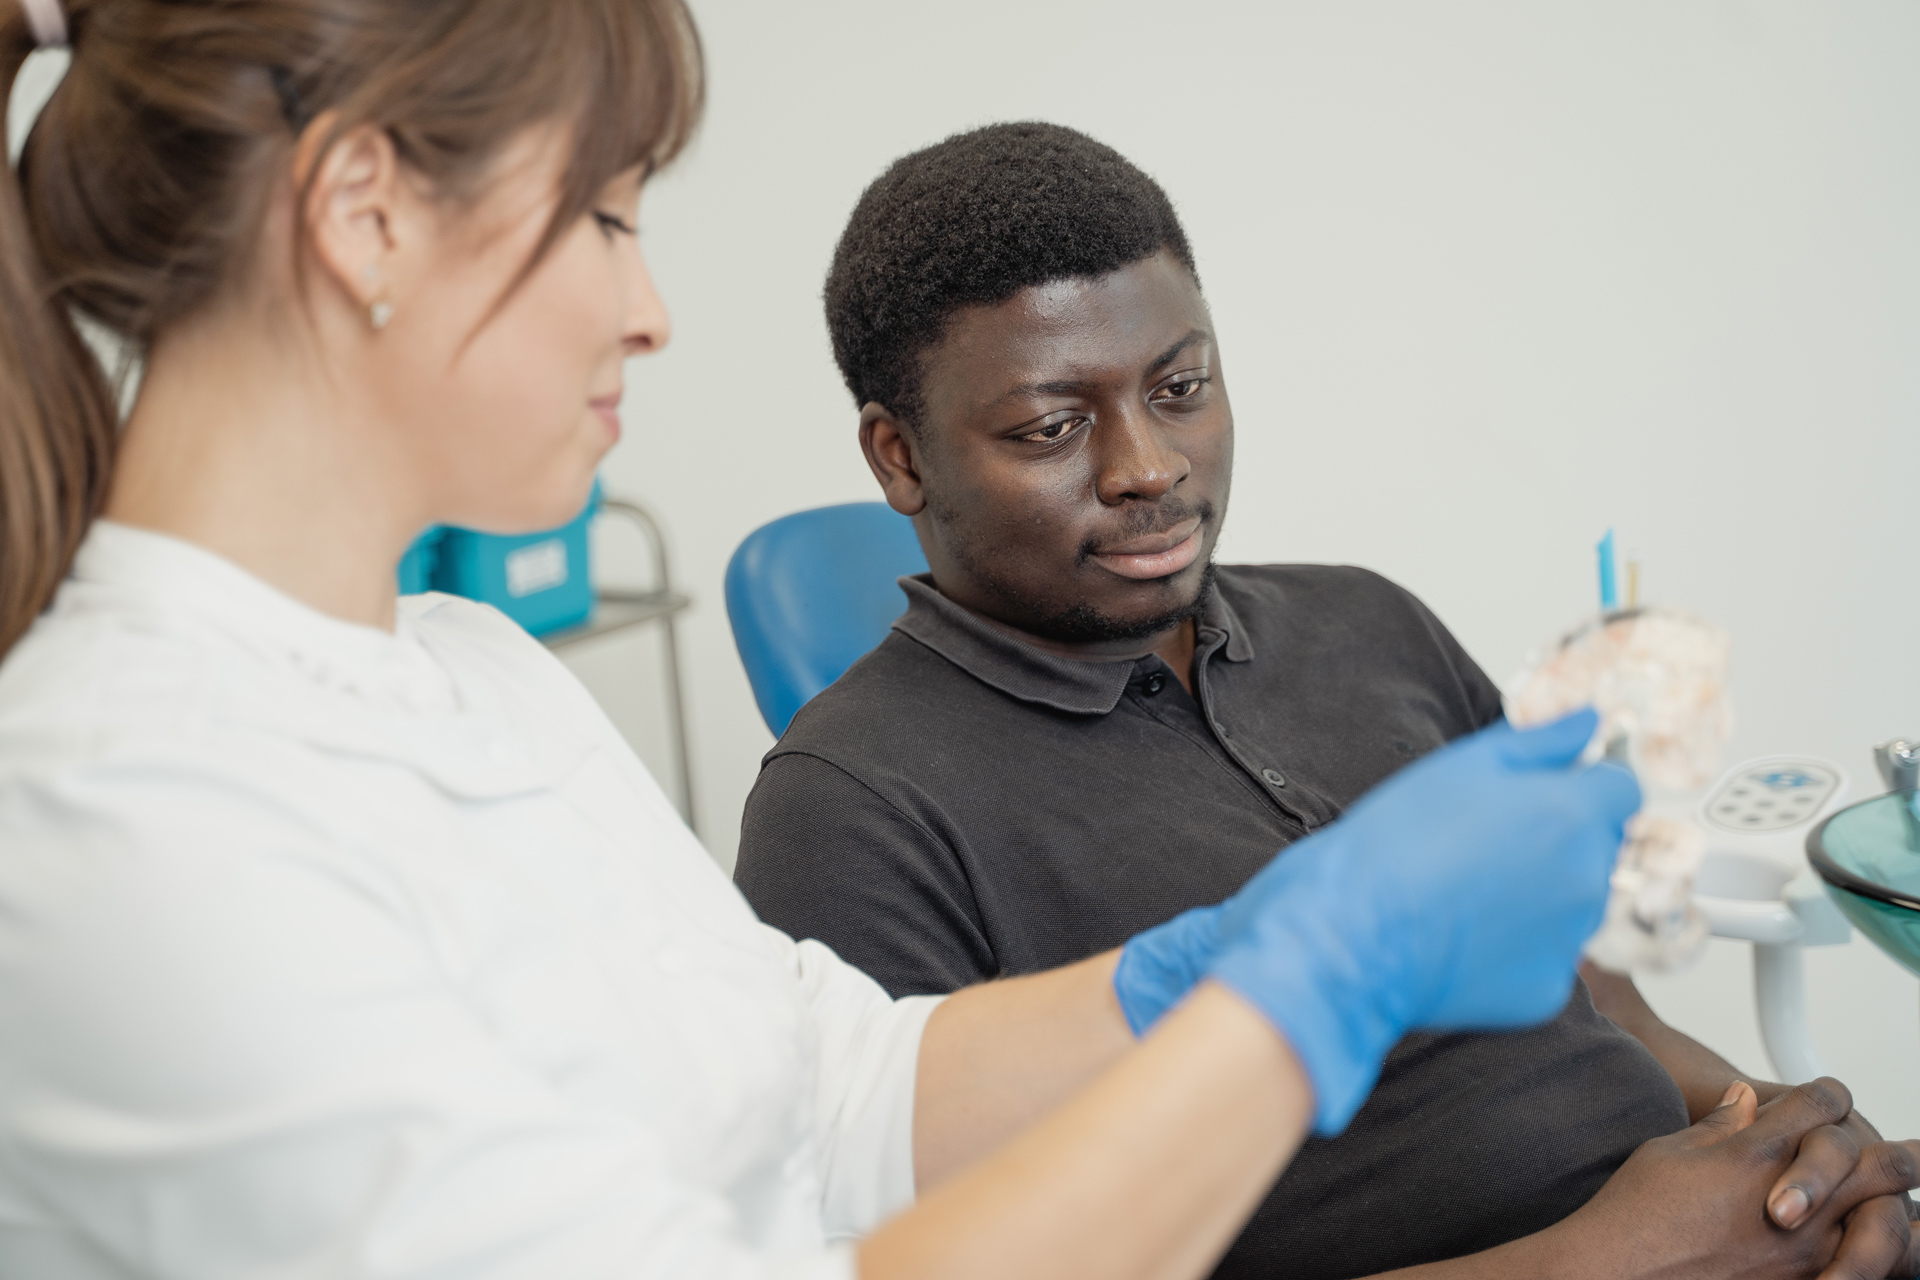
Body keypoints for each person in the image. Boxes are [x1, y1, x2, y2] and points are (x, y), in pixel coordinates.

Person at [0, 3, 1854, 1279]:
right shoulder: (110, 811)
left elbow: (836, 1091)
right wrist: (1329, 985)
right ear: (364, 212)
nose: (650, 314)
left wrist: (1235, 947)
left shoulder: (479, 684)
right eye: (608, 216)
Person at [732, 121, 1920, 1280]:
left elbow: (1603, 997)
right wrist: (1612, 1256)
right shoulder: (853, 809)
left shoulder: (1369, 619)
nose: (1149, 465)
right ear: (899, 456)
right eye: (1052, 425)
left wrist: (1791, 1162)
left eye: (1182, 385)